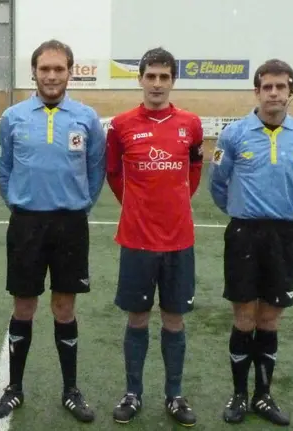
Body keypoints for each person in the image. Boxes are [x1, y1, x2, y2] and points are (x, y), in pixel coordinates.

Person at [0, 39, 106, 423]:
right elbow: (3, 168)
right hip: (26, 224)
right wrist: (18, 202)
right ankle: (15, 388)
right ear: (34, 73)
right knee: (24, 305)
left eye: (59, 69)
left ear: (70, 72)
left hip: (70, 224)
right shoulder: (15, 117)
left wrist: (79, 205)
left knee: (64, 307)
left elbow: (95, 169)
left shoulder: (86, 118)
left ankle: (70, 390)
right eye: (45, 69)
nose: (51, 76)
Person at [209, 59, 293, 426]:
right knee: (244, 317)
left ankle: (263, 395)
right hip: (243, 233)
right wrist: (243, 212)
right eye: (267, 87)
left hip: (284, 235)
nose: (274, 93)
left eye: (281, 87)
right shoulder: (234, 135)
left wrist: (280, 210)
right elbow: (218, 183)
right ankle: (239, 396)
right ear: (256, 91)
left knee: (270, 317)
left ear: (291, 91)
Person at [105, 47, 204, 427]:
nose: (157, 83)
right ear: (141, 79)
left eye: (165, 77)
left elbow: (194, 169)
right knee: (138, 318)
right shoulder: (121, 125)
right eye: (151, 76)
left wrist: (174, 203)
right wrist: (137, 207)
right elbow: (114, 173)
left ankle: (174, 395)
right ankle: (133, 393)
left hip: (179, 240)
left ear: (172, 81)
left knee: (174, 319)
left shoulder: (190, 124)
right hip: (136, 240)